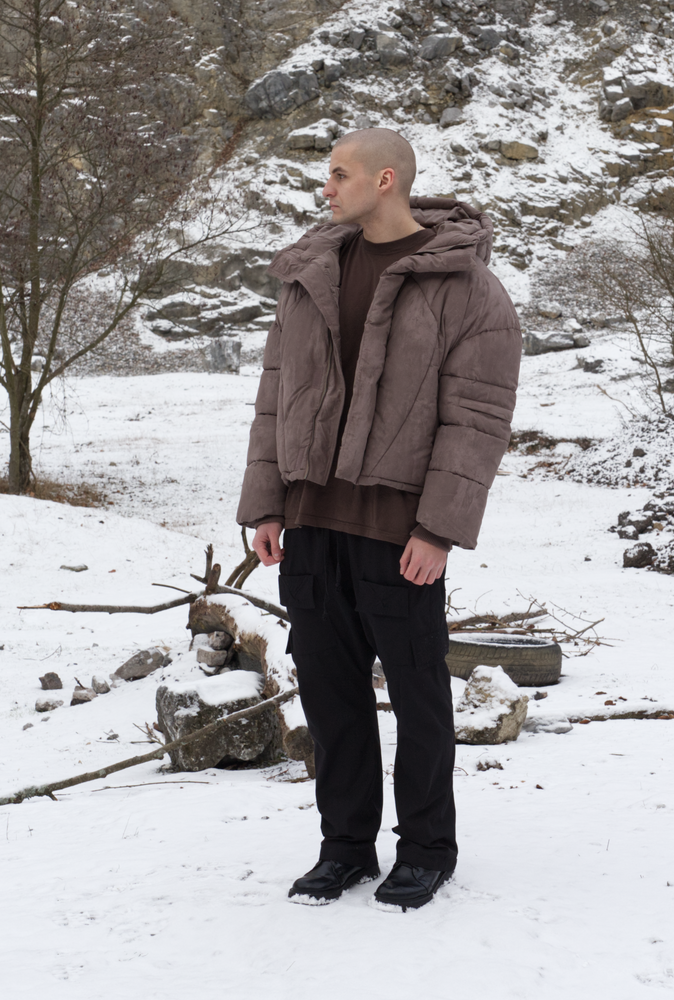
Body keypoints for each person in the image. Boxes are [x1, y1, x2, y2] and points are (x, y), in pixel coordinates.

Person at [237, 128, 521, 910]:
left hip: (400, 533)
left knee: (419, 694)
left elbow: (478, 421)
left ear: (385, 179)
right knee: (330, 696)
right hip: (312, 526)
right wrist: (266, 503)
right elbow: (274, 396)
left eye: (338, 174)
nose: (325, 188)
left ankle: (427, 848)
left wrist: (438, 529)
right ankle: (346, 848)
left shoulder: (469, 288)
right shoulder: (308, 273)